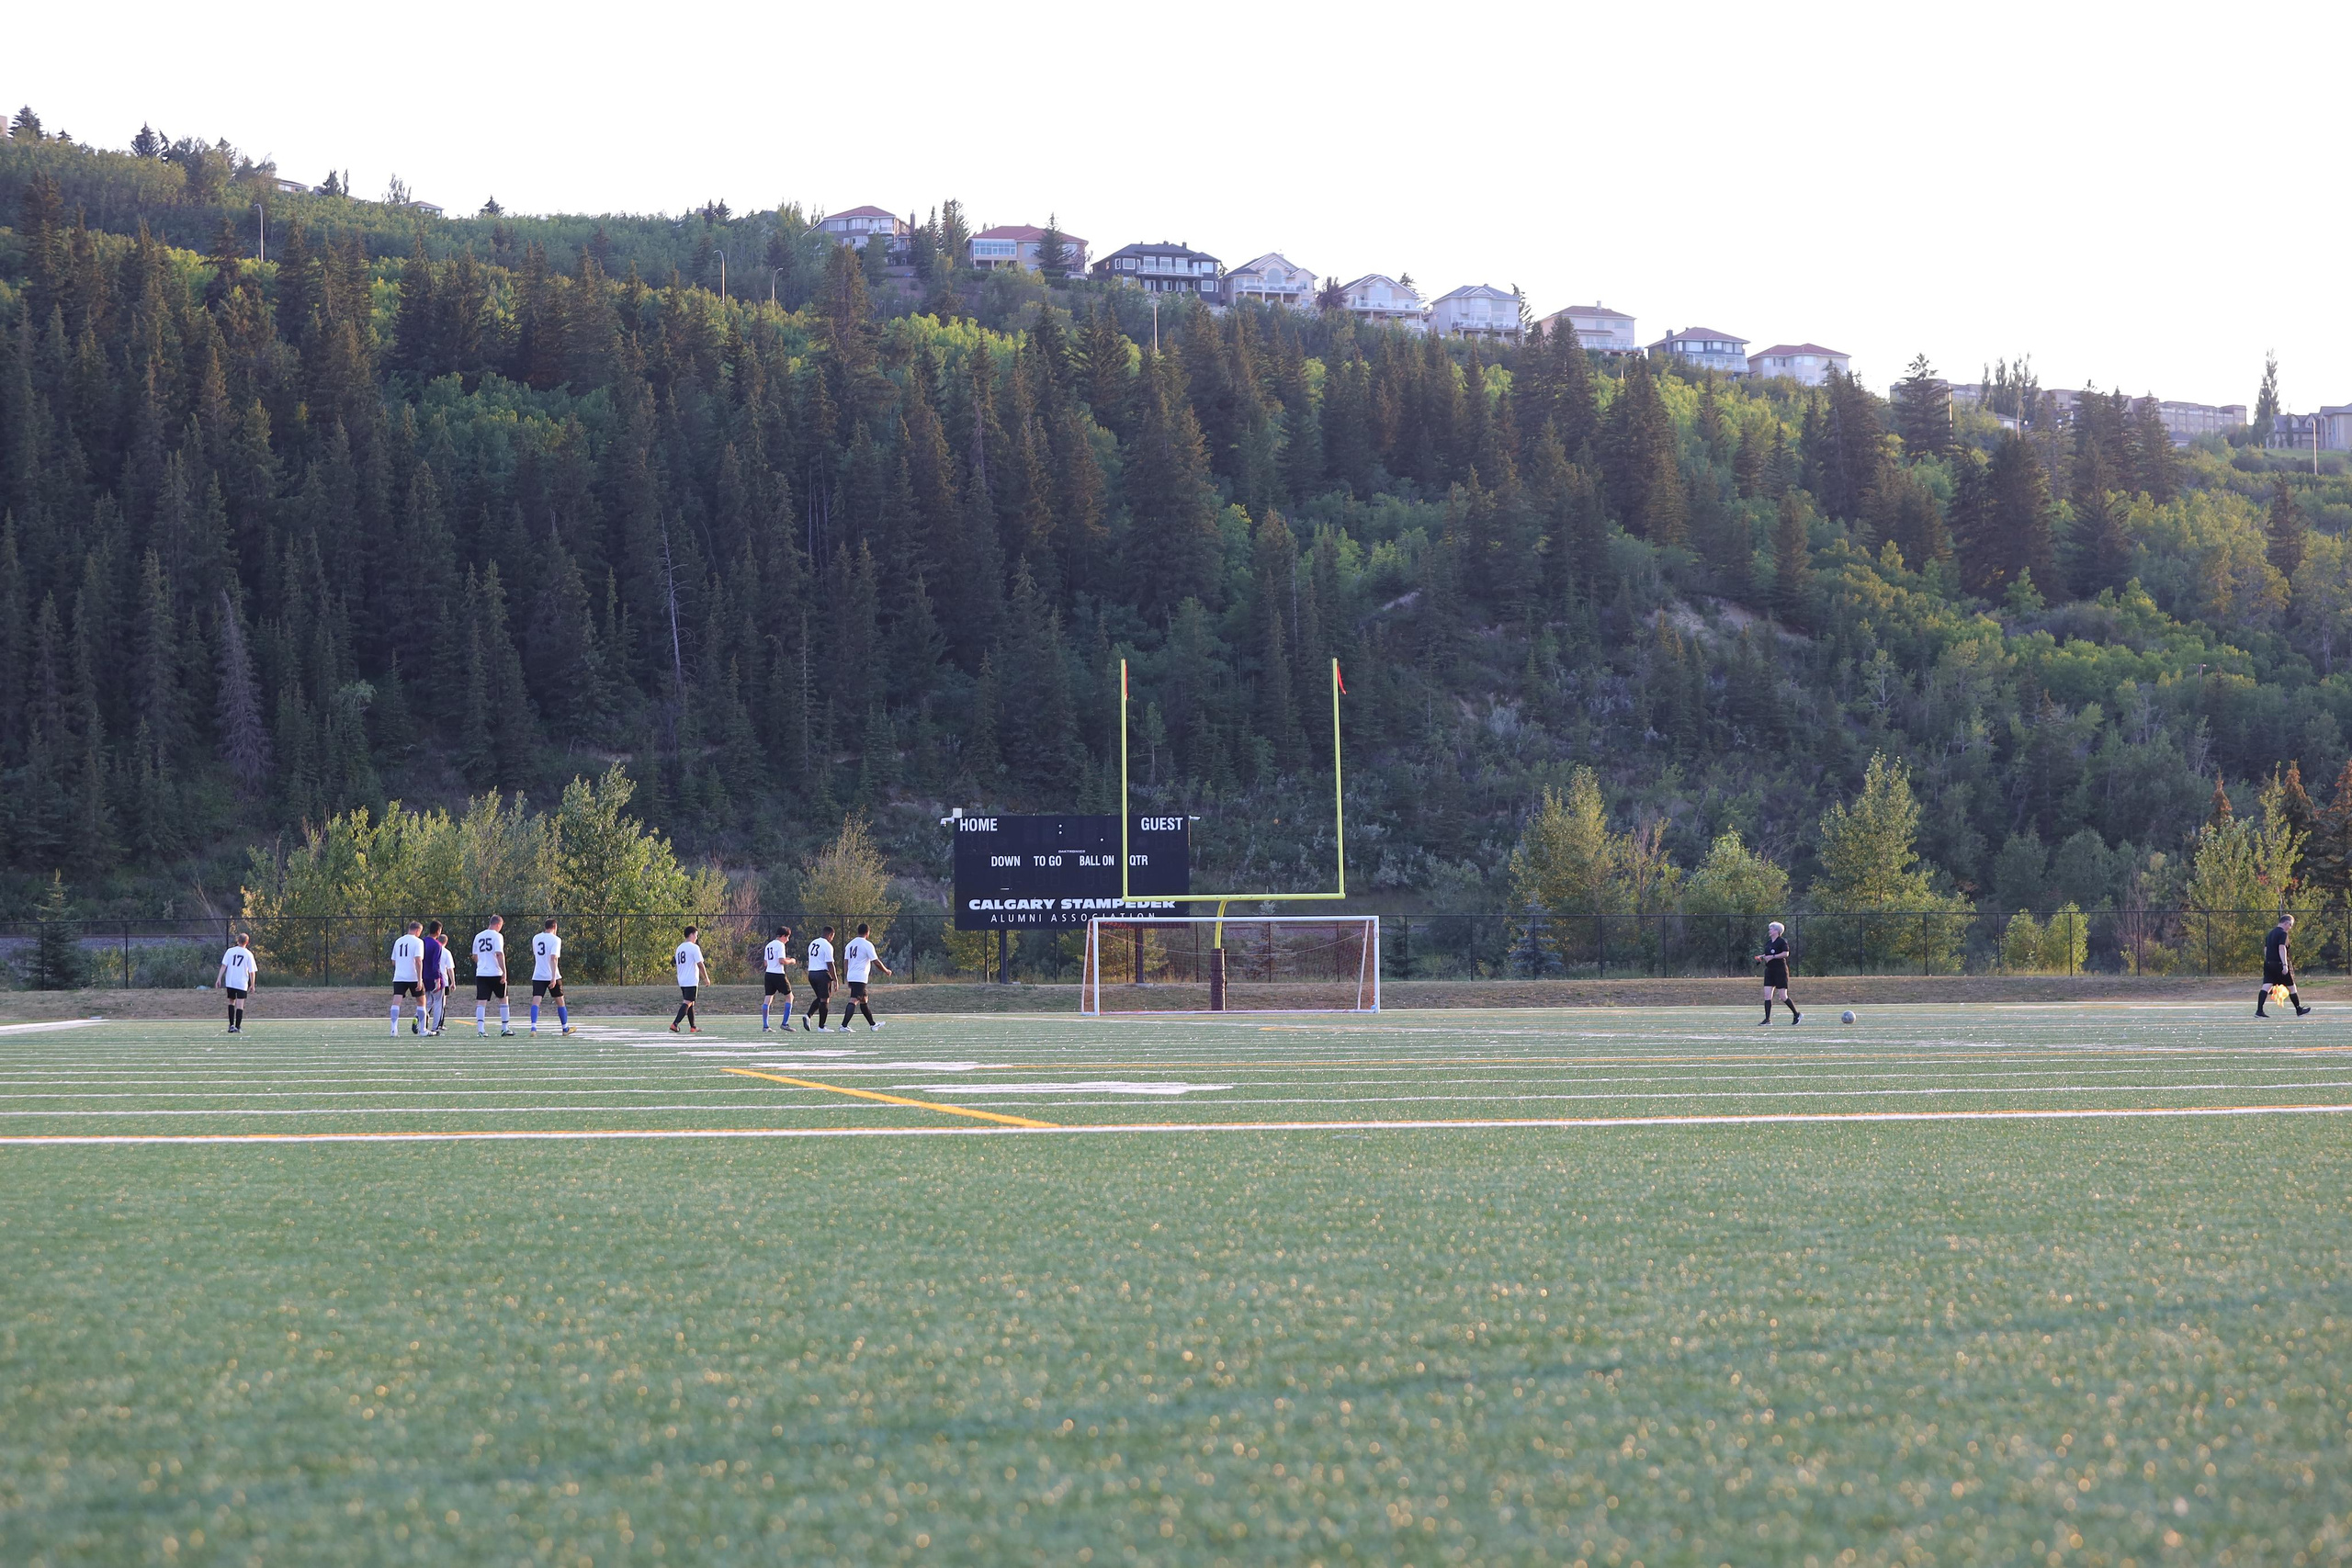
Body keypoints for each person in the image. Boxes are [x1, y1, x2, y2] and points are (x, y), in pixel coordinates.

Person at [837, 922, 892, 1031]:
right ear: (868, 933)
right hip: (860, 977)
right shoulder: (867, 944)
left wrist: (847, 976)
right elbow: (876, 962)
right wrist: (886, 971)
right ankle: (843, 1025)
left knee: (864, 999)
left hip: (852, 975)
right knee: (854, 1000)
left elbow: (845, 962)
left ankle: (872, 1024)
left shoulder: (850, 944)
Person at [2258, 913, 2312, 1018]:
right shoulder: (2283, 933)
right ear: (2286, 923)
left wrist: (2268, 960)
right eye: (2290, 925)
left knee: (2266, 986)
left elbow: (2266, 949)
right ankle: (2298, 1009)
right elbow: (2281, 948)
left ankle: (2259, 1011)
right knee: (2292, 987)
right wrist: (2284, 965)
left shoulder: (2270, 933)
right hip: (2279, 964)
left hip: (2269, 963)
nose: (2290, 928)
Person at [529, 917, 575, 1035]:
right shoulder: (556, 939)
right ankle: (565, 1028)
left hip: (538, 974)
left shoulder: (536, 938)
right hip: (551, 975)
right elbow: (553, 958)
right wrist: (554, 977)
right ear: (554, 927)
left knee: (536, 1001)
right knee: (560, 1001)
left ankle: (533, 1028)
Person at [472, 914, 514, 1037]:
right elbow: (499, 954)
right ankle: (505, 1028)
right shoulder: (497, 936)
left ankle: (481, 1030)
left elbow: (475, 956)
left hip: (481, 973)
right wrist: (504, 971)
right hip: (495, 972)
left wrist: (482, 963)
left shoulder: (478, 936)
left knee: (481, 1002)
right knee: (503, 999)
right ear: (498, 924)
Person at [1755, 921, 1799, 1025]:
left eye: (1771, 929)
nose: (1769, 930)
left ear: (1777, 931)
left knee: (1783, 996)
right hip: (1770, 971)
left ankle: (1796, 1014)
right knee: (1767, 995)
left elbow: (1786, 953)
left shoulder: (1782, 942)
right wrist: (1761, 957)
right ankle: (1767, 1020)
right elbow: (1767, 954)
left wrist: (1773, 957)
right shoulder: (1769, 942)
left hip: (1780, 971)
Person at [670, 924, 710, 1033]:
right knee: (687, 1002)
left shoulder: (679, 947)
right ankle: (675, 1023)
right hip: (691, 980)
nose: (696, 938)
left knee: (691, 1003)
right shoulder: (694, 947)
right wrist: (706, 978)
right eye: (696, 935)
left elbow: (675, 962)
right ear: (691, 934)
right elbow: (700, 964)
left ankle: (693, 1026)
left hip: (682, 979)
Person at [390, 920, 428, 1036]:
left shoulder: (398, 941)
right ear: (418, 930)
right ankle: (423, 1030)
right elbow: (418, 960)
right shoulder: (418, 942)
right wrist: (419, 979)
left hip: (399, 977)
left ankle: (393, 1030)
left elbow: (393, 961)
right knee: (421, 1002)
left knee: (396, 1002)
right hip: (413, 977)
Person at [216, 931, 257, 1034]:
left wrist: (219, 978)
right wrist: (252, 984)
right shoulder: (248, 954)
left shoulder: (230, 951)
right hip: (242, 982)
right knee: (240, 1005)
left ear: (237, 941)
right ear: (247, 943)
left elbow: (224, 966)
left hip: (230, 981)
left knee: (231, 1002)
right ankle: (238, 1027)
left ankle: (231, 1025)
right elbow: (252, 972)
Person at [761, 924, 799, 1032]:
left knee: (768, 999)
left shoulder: (769, 945)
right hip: (778, 974)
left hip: (769, 974)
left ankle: (765, 1026)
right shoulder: (780, 945)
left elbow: (765, 963)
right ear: (783, 936)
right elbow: (781, 961)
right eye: (787, 937)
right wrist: (791, 960)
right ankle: (785, 1023)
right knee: (790, 997)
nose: (788, 940)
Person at [422, 919, 451, 1035]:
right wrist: (438, 979)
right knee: (439, 1002)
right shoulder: (437, 945)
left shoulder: (422, 942)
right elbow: (436, 964)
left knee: (427, 1002)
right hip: (433, 977)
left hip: (423, 977)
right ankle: (435, 1027)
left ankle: (420, 1021)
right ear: (438, 931)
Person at [804, 925, 837, 1030]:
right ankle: (821, 1026)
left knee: (820, 998)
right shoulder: (827, 945)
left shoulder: (813, 943)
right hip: (822, 974)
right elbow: (830, 964)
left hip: (811, 974)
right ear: (830, 934)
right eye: (832, 937)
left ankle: (808, 1015)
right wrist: (835, 979)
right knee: (825, 1000)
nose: (832, 939)